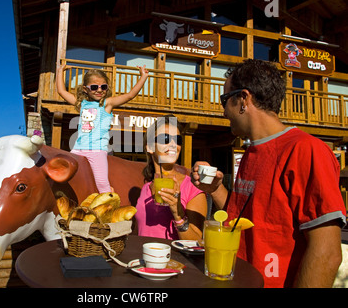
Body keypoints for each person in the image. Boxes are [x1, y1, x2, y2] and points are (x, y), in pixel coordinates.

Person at [191, 59, 346, 288]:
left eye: (225, 100)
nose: (223, 111)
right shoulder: (252, 151)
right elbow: (245, 222)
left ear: (243, 99)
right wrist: (215, 190)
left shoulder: (305, 150)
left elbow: (326, 252)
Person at [56, 63, 149, 193]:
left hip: (97, 150)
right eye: (94, 87)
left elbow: (129, 96)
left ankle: (108, 207)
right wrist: (60, 71)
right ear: (85, 89)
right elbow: (61, 91)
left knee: (102, 184)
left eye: (103, 87)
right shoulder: (82, 103)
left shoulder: (107, 104)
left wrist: (143, 77)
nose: (99, 90)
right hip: (78, 149)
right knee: (67, 175)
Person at [135, 115, 207, 240]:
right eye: (165, 138)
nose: (174, 144)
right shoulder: (146, 187)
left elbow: (195, 242)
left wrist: (178, 214)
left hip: (172, 259)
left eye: (178, 140)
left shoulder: (193, 187)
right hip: (143, 257)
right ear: (150, 147)